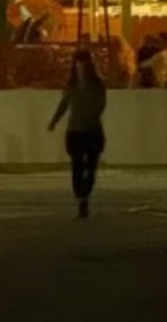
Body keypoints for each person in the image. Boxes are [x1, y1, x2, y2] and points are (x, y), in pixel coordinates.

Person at [48, 46, 107, 218]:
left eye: (84, 64)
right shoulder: (71, 86)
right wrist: (54, 121)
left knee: (91, 166)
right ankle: (81, 197)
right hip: (75, 131)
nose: (81, 68)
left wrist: (91, 116)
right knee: (77, 165)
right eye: (78, 64)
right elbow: (63, 105)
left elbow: (101, 104)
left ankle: (85, 193)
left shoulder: (97, 85)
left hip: (92, 130)